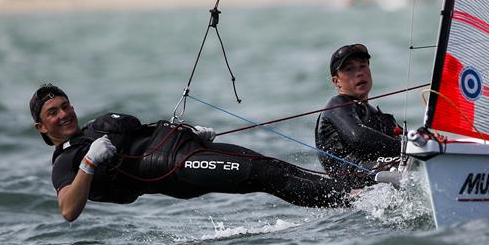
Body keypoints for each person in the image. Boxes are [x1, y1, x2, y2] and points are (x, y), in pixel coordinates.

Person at [30, 84, 351, 222]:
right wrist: (88, 163)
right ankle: (354, 200)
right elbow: (68, 210)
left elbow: (142, 136)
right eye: (53, 113)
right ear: (42, 127)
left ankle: (353, 191)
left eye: (65, 105)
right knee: (266, 175)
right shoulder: (65, 161)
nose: (63, 114)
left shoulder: (91, 131)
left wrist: (189, 132)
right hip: (178, 169)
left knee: (270, 166)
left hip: (187, 149)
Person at [314, 44, 403, 189]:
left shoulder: (377, 115)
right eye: (349, 69)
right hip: (351, 178)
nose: (359, 73)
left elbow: (402, 139)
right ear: (336, 81)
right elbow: (358, 137)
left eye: (363, 66)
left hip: (378, 170)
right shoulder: (336, 105)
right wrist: (405, 149)